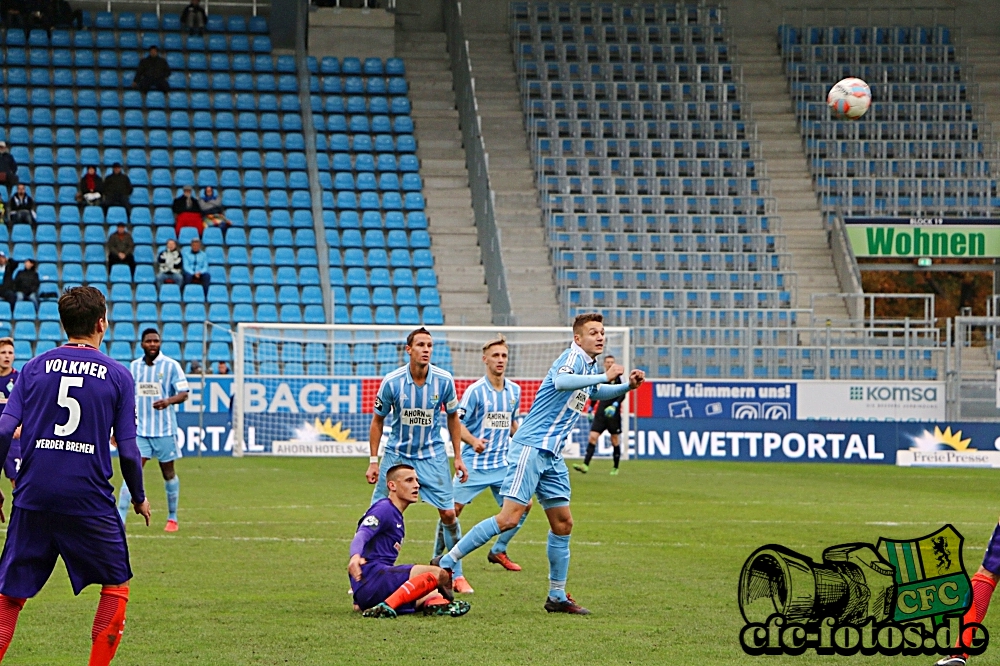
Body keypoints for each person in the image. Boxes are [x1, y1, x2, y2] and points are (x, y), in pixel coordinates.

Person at [433, 313, 645, 615]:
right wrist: (604, 376)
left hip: (551, 454)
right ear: (578, 338)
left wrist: (627, 388)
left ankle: (556, 596)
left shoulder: (589, 366)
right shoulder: (571, 358)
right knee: (508, 518)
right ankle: (447, 562)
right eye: (593, 332)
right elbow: (562, 382)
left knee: (563, 522)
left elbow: (595, 392)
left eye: (602, 333)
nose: (600, 337)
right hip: (531, 448)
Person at [0, 286, 150, 664]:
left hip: (33, 493)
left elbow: (3, 431)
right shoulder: (118, 375)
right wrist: (138, 497)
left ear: (63, 323)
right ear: (101, 323)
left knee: (10, 594)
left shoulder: (33, 368)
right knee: (116, 584)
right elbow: (129, 451)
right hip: (89, 498)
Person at [367, 328, 472, 594]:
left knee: (448, 514)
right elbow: (378, 421)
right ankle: (368, 570)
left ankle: (455, 572)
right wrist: (373, 460)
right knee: (378, 513)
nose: (426, 349)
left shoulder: (444, 380)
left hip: (433, 455)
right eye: (421, 345)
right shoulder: (392, 382)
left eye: (430, 345)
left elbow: (452, 418)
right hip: (397, 455)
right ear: (409, 349)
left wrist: (458, 457)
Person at [433, 335, 528, 574]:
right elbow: (456, 423)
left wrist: (524, 443)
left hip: (503, 465)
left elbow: (512, 423)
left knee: (524, 506)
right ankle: (437, 558)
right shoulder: (475, 392)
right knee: (450, 512)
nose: (500, 360)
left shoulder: (514, 391)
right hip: (474, 464)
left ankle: (499, 549)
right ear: (485, 359)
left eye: (504, 355)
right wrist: (473, 440)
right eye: (495, 355)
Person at [350, 464, 470, 619]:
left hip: (369, 587)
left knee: (429, 590)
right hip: (374, 578)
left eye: (417, 480)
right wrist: (354, 556)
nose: (416, 485)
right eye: (409, 480)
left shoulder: (395, 514)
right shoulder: (384, 508)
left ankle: (436, 605)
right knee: (440, 574)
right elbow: (362, 534)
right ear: (392, 485)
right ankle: (387, 606)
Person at [117, 329, 188, 533]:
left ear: (160, 343)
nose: (153, 344)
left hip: (165, 430)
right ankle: (120, 520)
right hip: (141, 431)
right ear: (142, 344)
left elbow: (184, 393)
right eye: (149, 341)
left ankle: (172, 517)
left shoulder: (171, 366)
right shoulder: (134, 367)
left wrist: (168, 401)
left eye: (156, 341)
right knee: (131, 471)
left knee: (168, 472)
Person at [574, 355, 623, 476]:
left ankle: (616, 467)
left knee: (614, 440)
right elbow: (596, 392)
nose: (610, 364)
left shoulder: (617, 378)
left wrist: (615, 405)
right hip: (601, 412)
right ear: (604, 364)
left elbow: (622, 393)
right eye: (608, 362)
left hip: (613, 414)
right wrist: (590, 408)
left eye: (612, 362)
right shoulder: (602, 377)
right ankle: (585, 465)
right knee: (592, 437)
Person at [0, 339, 19, 489]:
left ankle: (20, 512)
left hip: (13, 438)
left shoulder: (20, 379)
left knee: (18, 482)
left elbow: (29, 407)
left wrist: (22, 426)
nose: (7, 356)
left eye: (10, 353)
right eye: (3, 353)